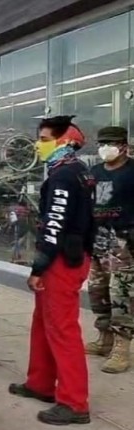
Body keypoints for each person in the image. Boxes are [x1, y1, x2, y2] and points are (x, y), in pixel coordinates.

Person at [7, 115, 95, 425]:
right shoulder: (78, 171)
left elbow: (55, 225)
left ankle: (74, 403)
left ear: (64, 142)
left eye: (44, 140)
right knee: (43, 322)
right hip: (71, 254)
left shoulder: (63, 177)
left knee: (62, 328)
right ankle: (41, 383)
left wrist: (39, 266)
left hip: (61, 260)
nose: (38, 145)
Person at [85, 125, 133, 374]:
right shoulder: (95, 172)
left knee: (121, 294)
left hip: (124, 242)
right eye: (102, 143)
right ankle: (104, 339)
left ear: (124, 146)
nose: (105, 148)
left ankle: (121, 348)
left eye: (110, 143)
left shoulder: (132, 171)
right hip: (99, 240)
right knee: (98, 290)